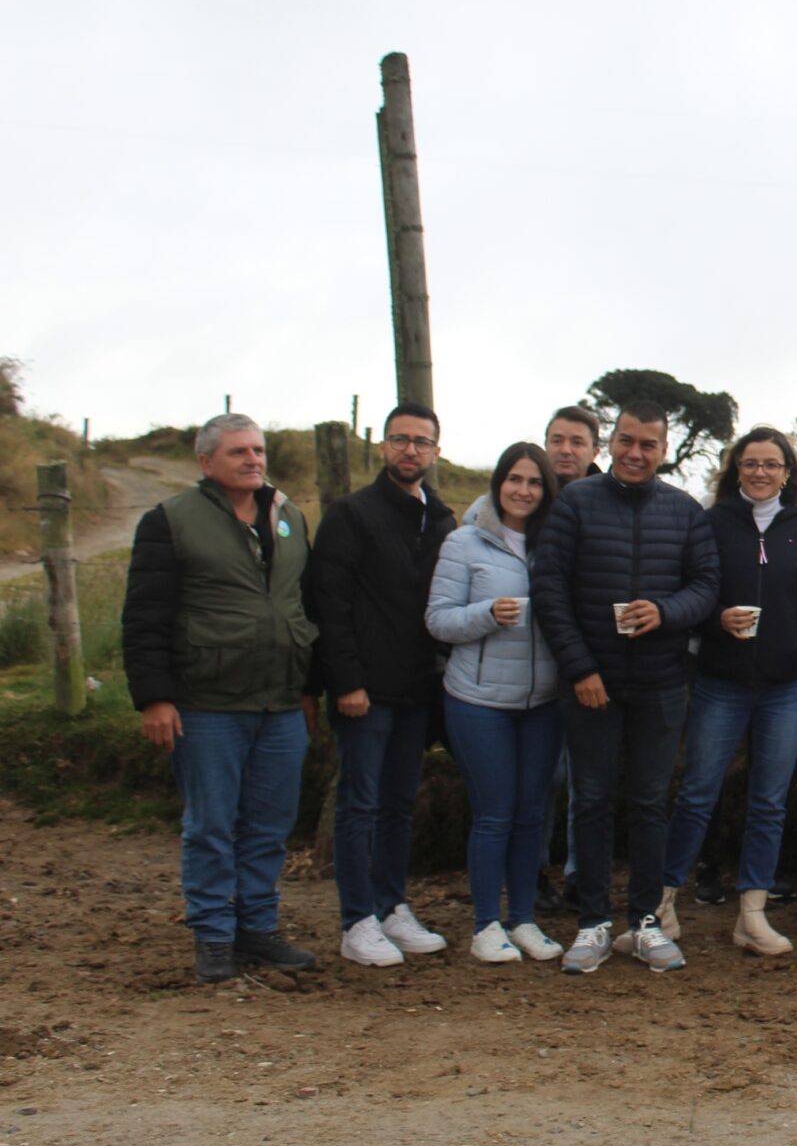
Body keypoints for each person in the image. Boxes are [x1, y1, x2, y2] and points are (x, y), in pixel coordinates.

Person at [121, 413, 321, 983]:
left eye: (258, 450)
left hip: (280, 703)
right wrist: (154, 699)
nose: (253, 460)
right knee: (211, 825)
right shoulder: (170, 521)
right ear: (206, 463)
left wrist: (308, 688)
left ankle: (256, 927)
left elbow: (304, 606)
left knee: (269, 826)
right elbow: (145, 616)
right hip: (206, 702)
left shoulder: (289, 516)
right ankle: (212, 933)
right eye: (238, 452)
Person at [530, 401, 720, 974]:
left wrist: (665, 611)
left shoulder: (685, 511)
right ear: (611, 443)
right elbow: (550, 591)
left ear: (664, 450)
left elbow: (707, 585)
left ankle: (643, 921)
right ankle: (591, 922)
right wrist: (580, 669)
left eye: (649, 445)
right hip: (592, 682)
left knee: (648, 803)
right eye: (628, 442)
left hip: (662, 683)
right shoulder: (575, 504)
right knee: (590, 801)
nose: (637, 454)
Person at [658, 427, 797, 956]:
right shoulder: (712, 523)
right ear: (736, 470)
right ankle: (661, 905)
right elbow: (694, 591)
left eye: (771, 464)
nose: (760, 472)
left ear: (787, 472)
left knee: (769, 801)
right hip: (722, 681)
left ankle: (751, 914)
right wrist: (714, 619)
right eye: (750, 463)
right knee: (697, 794)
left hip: (787, 685)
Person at [310, 401, 457, 967]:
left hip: (417, 687)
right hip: (364, 690)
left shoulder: (440, 520)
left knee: (399, 803)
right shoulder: (351, 514)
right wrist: (345, 679)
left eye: (421, 441)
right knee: (360, 803)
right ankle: (357, 920)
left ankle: (392, 905)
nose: (410, 450)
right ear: (382, 446)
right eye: (400, 439)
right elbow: (331, 603)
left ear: (435, 451)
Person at [425, 443, 565, 963]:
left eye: (534, 482)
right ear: (497, 483)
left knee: (532, 813)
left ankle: (524, 919)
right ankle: (486, 924)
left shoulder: (556, 546)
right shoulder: (464, 542)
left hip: (544, 701)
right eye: (514, 479)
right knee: (494, 813)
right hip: (478, 700)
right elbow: (438, 621)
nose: (523, 490)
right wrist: (488, 612)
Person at [533, 404, 602, 917]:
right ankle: (533, 874)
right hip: (529, 667)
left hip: (592, 664)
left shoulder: (606, 501)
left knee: (586, 778)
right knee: (541, 776)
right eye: (557, 439)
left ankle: (582, 875)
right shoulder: (520, 496)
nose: (565, 450)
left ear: (594, 449)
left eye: (577, 441)